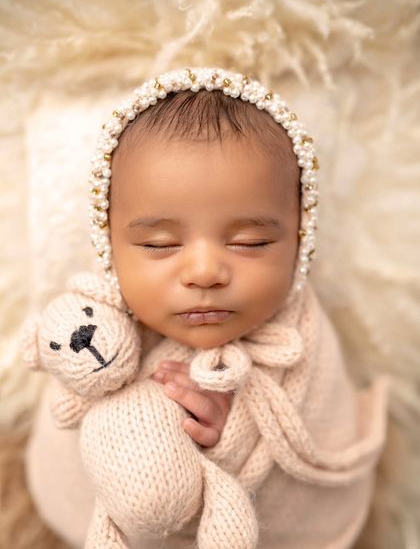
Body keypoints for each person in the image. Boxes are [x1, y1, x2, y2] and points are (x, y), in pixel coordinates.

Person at [24, 67, 389, 549]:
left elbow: (326, 430)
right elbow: (69, 436)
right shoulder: (92, 328)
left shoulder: (300, 337)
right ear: (110, 247)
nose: (204, 271)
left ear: (299, 242)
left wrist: (231, 434)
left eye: (251, 241)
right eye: (158, 244)